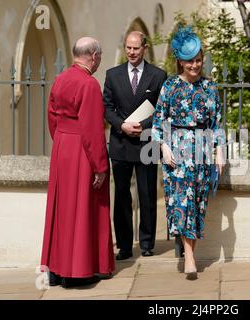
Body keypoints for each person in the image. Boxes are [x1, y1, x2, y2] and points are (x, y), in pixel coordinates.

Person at [40, 37, 115, 288]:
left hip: (62, 147)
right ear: (93, 56)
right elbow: (93, 130)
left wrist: (62, 142)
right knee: (83, 208)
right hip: (82, 151)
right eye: (100, 56)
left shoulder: (60, 79)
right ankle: (78, 271)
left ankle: (56, 270)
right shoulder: (89, 84)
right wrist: (101, 167)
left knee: (62, 210)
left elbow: (52, 118)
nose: (99, 61)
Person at [152, 26, 225, 280]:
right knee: (181, 202)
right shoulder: (170, 86)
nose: (194, 65)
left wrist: (219, 152)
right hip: (177, 152)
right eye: (189, 61)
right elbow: (158, 122)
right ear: (180, 62)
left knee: (197, 204)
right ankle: (190, 257)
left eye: (197, 59)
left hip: (203, 151)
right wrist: (164, 146)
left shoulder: (210, 87)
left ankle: (189, 251)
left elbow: (217, 123)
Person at [103, 31, 167, 260]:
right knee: (121, 196)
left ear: (144, 48)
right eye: (128, 48)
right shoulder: (112, 75)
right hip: (120, 143)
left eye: (136, 48)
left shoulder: (159, 76)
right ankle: (125, 246)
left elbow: (162, 110)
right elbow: (107, 108)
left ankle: (148, 243)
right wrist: (122, 126)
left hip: (146, 142)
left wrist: (141, 124)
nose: (131, 52)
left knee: (147, 193)